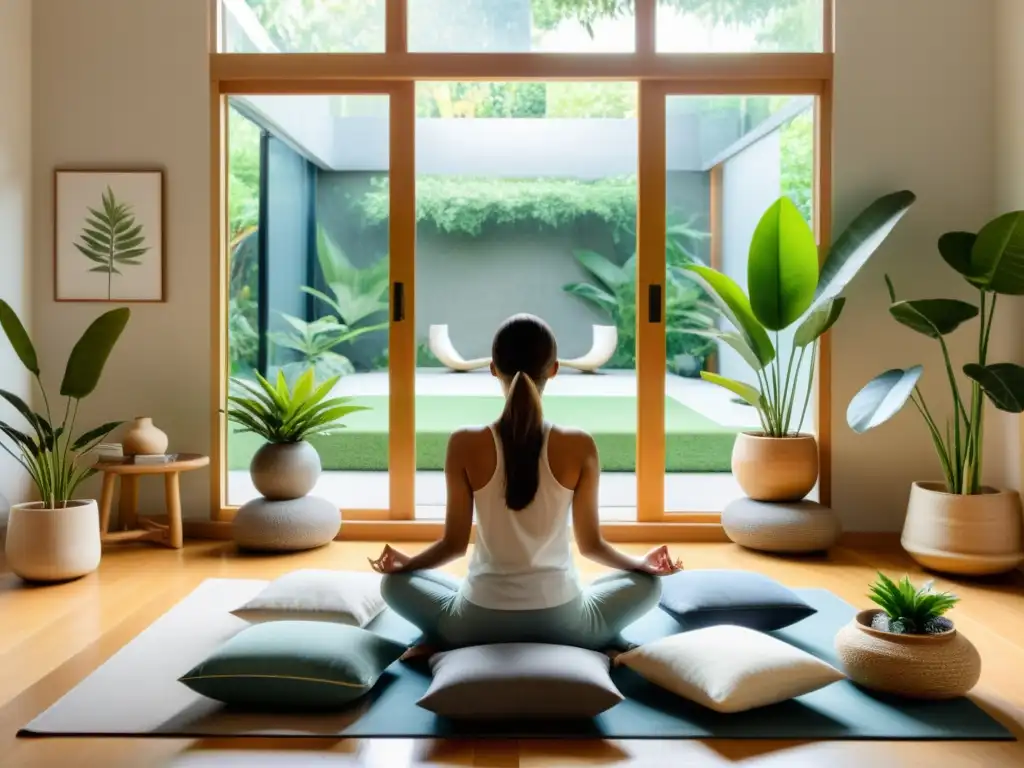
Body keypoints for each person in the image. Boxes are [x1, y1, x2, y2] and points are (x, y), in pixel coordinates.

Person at [368, 313, 682, 654]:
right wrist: (640, 563)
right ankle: (602, 644)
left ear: (492, 368)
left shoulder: (463, 443)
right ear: (554, 369)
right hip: (564, 622)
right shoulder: (579, 444)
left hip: (475, 622)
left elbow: (454, 545)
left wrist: (407, 563)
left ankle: (441, 641)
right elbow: (592, 546)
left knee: (393, 585)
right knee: (649, 585)